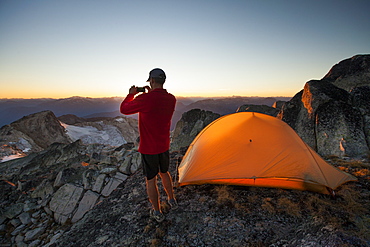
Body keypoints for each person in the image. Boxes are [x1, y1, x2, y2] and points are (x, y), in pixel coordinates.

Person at [120, 68, 177, 222]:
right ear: (163, 81)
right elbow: (156, 107)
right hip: (164, 145)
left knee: (151, 179)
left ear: (151, 81)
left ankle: (157, 212)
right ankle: (172, 200)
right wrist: (148, 95)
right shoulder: (172, 99)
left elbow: (124, 109)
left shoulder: (145, 100)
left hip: (149, 148)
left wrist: (132, 94)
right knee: (165, 173)